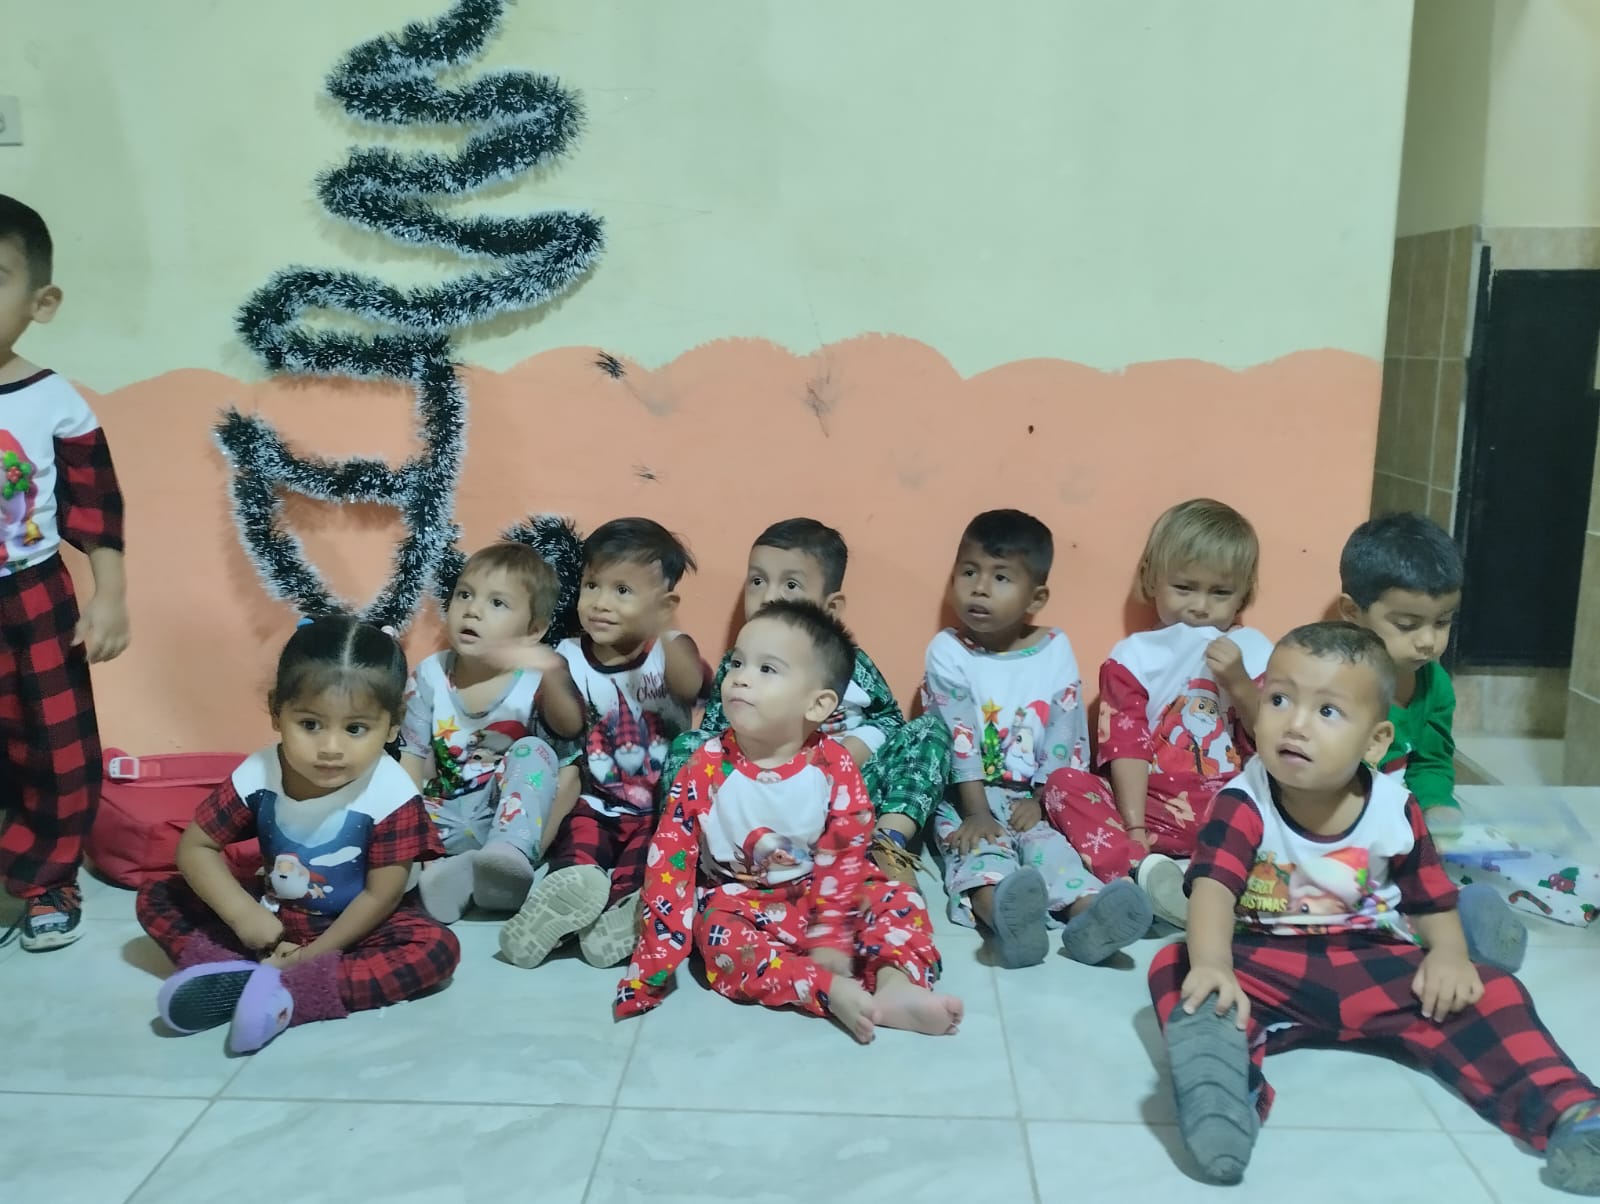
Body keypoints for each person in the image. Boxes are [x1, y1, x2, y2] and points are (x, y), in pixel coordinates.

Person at [1148, 622, 1600, 1194]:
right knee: (1178, 967)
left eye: (1327, 711)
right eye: (1279, 700)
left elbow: (1429, 895)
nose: (1295, 724)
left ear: (1375, 741)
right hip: (1268, 963)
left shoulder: (1394, 809)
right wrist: (1213, 964)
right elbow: (1212, 888)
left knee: (1495, 991)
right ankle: (1222, 1102)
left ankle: (1572, 1112)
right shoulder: (1243, 801)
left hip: (1376, 958)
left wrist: (1449, 955)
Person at [616, 599, 962, 1043]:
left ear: (817, 705)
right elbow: (670, 861)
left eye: (767, 669)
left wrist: (832, 932)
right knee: (719, 939)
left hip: (823, 890)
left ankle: (896, 984)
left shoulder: (834, 765)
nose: (740, 677)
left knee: (897, 899)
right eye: (737, 663)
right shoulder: (704, 765)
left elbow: (846, 850)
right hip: (739, 900)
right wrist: (651, 969)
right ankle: (825, 989)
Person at [135, 618, 460, 1054]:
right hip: (272, 918)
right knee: (157, 896)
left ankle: (289, 994)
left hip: (358, 926)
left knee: (436, 949)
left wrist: (314, 954)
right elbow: (197, 847)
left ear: (392, 725)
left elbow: (380, 896)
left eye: (355, 729)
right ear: (276, 711)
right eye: (310, 724)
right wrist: (242, 916)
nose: (330, 748)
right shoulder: (259, 772)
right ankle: (235, 974)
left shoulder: (392, 794)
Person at [662, 518, 950, 886]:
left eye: (791, 585)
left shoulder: (848, 665)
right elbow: (715, 740)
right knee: (689, 746)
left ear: (830, 607)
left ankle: (887, 843)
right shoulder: (739, 662)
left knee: (930, 731)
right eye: (757, 581)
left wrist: (849, 752)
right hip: (760, 801)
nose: (769, 596)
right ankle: (687, 857)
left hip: (844, 795)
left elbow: (889, 720)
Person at [922, 509, 1152, 969]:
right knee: (979, 857)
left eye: (1000, 577)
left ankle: (1090, 920)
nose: (979, 588)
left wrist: (1043, 797)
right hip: (964, 796)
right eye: (968, 572)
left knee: (1055, 854)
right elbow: (958, 732)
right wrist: (976, 811)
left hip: (1029, 797)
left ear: (1036, 597)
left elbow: (1065, 728)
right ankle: (1005, 920)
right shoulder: (948, 650)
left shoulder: (1053, 648)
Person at [0, 196, 130, 951]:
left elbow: (96, 507)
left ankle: (47, 877)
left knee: (54, 742)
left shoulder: (55, 402)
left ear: (40, 302)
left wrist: (110, 595)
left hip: (31, 593)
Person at [1043, 499, 1272, 928]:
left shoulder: (1256, 650)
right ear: (1152, 579)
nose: (1200, 606)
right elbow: (1125, 746)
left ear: (1245, 593)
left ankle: (1228, 884)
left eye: (1220, 593)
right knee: (1063, 785)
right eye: (1184, 588)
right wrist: (1134, 831)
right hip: (1152, 813)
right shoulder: (1133, 657)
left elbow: (1276, 744)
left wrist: (1241, 684)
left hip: (1232, 809)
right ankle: (1141, 877)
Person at [499, 518, 708, 970]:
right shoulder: (571, 654)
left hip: (657, 810)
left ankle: (625, 913)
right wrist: (551, 672)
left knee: (647, 864)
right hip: (596, 802)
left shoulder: (671, 648)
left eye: (622, 591)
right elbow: (568, 725)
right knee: (576, 857)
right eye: (591, 585)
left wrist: (665, 628)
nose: (600, 603)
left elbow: (690, 686)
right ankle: (559, 908)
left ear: (664, 603)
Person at [1338, 512, 1528, 972]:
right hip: (1334, 822)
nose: (1428, 642)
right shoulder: (1333, 682)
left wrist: (1436, 805)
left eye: (1442, 623)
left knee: (1441, 863)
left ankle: (1464, 924)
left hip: (1398, 825)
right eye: (1407, 625)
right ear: (1352, 613)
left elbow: (1431, 761)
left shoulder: (1433, 684)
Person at [400, 542, 585, 923]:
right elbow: (410, 763)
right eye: (464, 595)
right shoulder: (430, 675)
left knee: (532, 750)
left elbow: (568, 773)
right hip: (443, 816)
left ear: (533, 631)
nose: (473, 610)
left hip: (509, 823)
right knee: (385, 797)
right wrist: (413, 847)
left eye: (497, 603)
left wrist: (532, 849)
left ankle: (503, 864)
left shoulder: (535, 681)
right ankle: (450, 873)